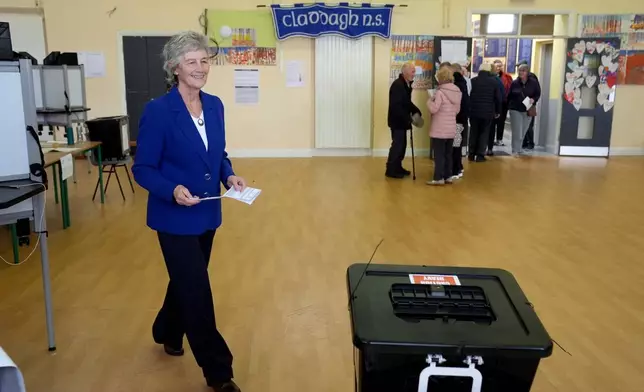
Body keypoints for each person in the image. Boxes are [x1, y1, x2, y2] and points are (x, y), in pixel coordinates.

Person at [132, 31, 245, 392]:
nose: (200, 68)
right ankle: (219, 372)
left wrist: (229, 176)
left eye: (205, 60)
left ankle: (166, 329)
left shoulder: (214, 105)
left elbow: (218, 154)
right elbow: (144, 168)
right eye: (191, 62)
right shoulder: (158, 111)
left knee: (186, 279)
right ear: (174, 68)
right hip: (174, 217)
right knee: (197, 290)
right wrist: (172, 190)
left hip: (208, 213)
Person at [426, 66, 462, 185]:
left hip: (439, 129)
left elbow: (434, 109)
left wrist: (429, 101)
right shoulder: (457, 91)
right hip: (451, 128)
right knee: (448, 154)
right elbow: (457, 111)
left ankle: (438, 178)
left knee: (439, 155)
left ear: (441, 78)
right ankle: (448, 177)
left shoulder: (440, 92)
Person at [386, 62, 422, 178]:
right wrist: (408, 118)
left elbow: (406, 103)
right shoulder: (398, 85)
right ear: (405, 72)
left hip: (403, 121)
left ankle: (398, 167)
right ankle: (391, 169)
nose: (414, 74)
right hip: (397, 121)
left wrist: (415, 110)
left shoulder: (406, 84)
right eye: (412, 71)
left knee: (402, 145)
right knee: (397, 145)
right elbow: (396, 106)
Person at [468, 62, 501, 162]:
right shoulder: (494, 82)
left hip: (474, 112)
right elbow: (498, 98)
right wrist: (498, 111)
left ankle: (471, 153)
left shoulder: (472, 81)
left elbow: (469, 96)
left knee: (473, 132)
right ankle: (480, 155)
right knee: (484, 133)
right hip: (487, 112)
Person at [508, 63, 541, 156]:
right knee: (517, 131)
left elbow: (537, 93)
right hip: (515, 109)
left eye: (523, 71)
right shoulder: (515, 83)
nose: (521, 72)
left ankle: (519, 149)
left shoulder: (533, 82)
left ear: (527, 72)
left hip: (528, 109)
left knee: (523, 131)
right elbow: (510, 95)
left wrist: (533, 99)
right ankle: (515, 150)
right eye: (519, 70)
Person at [451, 63, 470, 178]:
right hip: (462, 119)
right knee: (457, 143)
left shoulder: (455, 85)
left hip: (456, 119)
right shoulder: (464, 83)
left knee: (455, 145)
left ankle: (455, 168)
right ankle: (458, 166)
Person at [516, 60, 541, 149]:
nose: (519, 70)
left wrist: (533, 100)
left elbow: (537, 92)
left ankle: (530, 143)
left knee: (529, 124)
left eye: (521, 68)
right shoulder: (519, 78)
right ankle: (524, 143)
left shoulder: (532, 78)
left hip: (529, 103)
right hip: (522, 103)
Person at [492, 59, 513, 147]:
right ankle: (490, 139)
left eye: (500, 66)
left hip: (503, 103)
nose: (499, 68)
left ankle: (499, 139)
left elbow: (510, 89)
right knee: (492, 122)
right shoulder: (490, 76)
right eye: (497, 66)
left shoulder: (507, 77)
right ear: (493, 67)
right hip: (493, 103)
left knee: (501, 122)